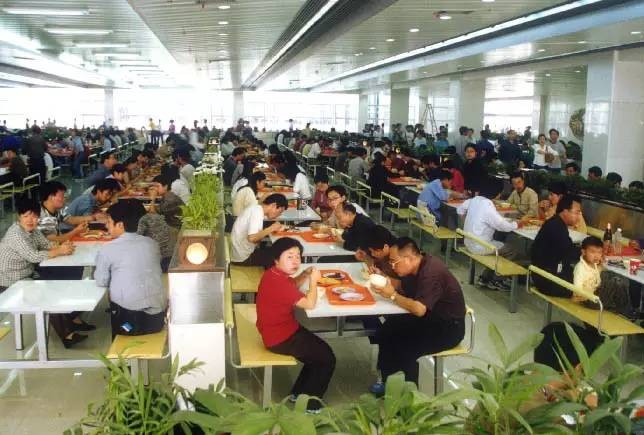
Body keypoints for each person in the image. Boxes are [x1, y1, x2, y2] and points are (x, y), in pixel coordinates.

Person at [370, 237, 466, 386]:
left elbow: (419, 309)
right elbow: (401, 285)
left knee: (403, 345)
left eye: (394, 262)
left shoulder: (431, 272)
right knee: (387, 330)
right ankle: (387, 381)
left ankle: (408, 394)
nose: (392, 266)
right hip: (429, 318)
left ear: (409, 258)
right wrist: (382, 278)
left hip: (447, 327)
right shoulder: (416, 266)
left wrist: (392, 295)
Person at [255, 237, 334, 412]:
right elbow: (310, 304)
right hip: (280, 338)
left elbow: (292, 285)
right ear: (276, 259)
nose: (296, 261)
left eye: (298, 256)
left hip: (277, 330)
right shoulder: (278, 283)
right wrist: (313, 281)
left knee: (317, 355)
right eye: (289, 256)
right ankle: (311, 406)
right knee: (326, 358)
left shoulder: (273, 274)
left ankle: (298, 394)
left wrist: (304, 275)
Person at [0, 199, 86, 347]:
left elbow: (47, 244)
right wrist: (59, 251)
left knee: (56, 285)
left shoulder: (33, 231)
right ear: (19, 217)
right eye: (26, 216)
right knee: (46, 294)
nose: (31, 220)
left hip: (27, 274)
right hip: (10, 281)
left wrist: (62, 246)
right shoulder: (16, 234)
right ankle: (67, 335)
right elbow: (33, 256)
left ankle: (70, 320)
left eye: (34, 216)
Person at [95, 200, 167, 337]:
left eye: (109, 222)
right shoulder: (152, 244)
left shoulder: (107, 249)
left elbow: (101, 281)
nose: (106, 225)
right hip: (157, 318)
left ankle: (122, 338)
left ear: (120, 225)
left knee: (120, 320)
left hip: (129, 322)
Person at [457, 178, 519, 290]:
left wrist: (470, 222)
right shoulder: (487, 205)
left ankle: (485, 277)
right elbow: (502, 225)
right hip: (480, 245)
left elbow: (460, 210)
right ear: (497, 193)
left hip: (469, 241)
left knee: (498, 245)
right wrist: (517, 224)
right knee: (511, 249)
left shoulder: (474, 200)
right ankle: (497, 280)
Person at [531, 195, 582, 297]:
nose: (579, 216)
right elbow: (570, 251)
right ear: (565, 211)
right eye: (577, 212)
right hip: (547, 280)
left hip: (541, 274)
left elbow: (567, 248)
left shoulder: (555, 222)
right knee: (587, 284)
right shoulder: (557, 227)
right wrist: (589, 251)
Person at [230, 194, 288, 266]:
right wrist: (271, 228)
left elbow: (255, 239)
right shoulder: (257, 212)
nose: (278, 215)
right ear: (273, 205)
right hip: (243, 258)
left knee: (275, 250)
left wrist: (267, 230)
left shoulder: (256, 208)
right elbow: (252, 238)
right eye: (280, 212)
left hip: (239, 252)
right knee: (281, 259)